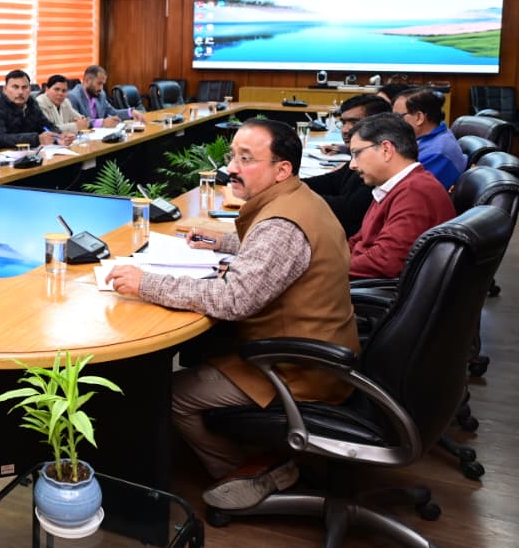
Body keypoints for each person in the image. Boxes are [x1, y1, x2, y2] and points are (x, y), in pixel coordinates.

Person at [106, 119, 359, 510]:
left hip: (297, 367)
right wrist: (223, 242)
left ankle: (250, 473)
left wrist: (146, 283)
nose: (231, 168)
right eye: (232, 156)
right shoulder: (299, 199)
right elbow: (273, 251)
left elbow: (232, 299)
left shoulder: (281, 224)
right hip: (313, 348)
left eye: (246, 159)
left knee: (171, 394)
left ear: (282, 170)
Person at [346, 114, 456, 279]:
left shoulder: (415, 193)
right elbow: (359, 241)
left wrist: (327, 269)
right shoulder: (394, 186)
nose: (352, 165)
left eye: (356, 154)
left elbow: (385, 261)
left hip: (371, 288)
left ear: (386, 150)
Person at [306, 94, 392, 238]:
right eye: (343, 122)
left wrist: (296, 193)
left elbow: (349, 209)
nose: (345, 129)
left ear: (379, 125)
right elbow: (332, 181)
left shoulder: (383, 163)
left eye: (354, 122)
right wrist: (291, 184)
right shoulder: (360, 154)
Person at [393, 88, 467, 189]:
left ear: (419, 118)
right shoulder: (436, 134)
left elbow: (402, 187)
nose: (393, 122)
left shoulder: (435, 153)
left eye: (398, 117)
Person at [0, 69, 72, 148]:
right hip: (5, 153)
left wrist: (60, 135)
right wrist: (36, 139)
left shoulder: (31, 102)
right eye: (15, 87)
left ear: (30, 89)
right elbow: (0, 138)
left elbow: (45, 124)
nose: (20, 92)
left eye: (24, 87)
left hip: (32, 151)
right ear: (5, 89)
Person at [66, 65, 139, 127]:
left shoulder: (100, 94)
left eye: (103, 84)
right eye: (99, 83)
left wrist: (130, 112)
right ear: (87, 80)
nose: (101, 88)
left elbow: (112, 112)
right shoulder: (73, 97)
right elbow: (77, 122)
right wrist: (102, 123)